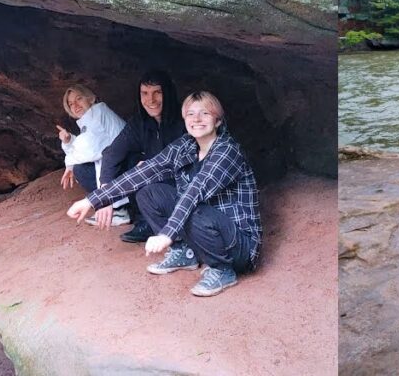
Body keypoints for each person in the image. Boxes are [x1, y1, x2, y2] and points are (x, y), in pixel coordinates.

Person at [67, 91, 261, 297]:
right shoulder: (185, 145)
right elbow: (146, 171)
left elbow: (195, 192)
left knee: (194, 206)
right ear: (184, 118)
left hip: (240, 246)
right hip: (206, 228)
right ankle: (185, 252)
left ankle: (223, 270)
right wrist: (93, 200)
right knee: (148, 192)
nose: (197, 119)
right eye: (191, 114)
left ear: (218, 120)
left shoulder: (227, 151)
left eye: (205, 113)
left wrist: (166, 234)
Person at [91, 69, 186, 243]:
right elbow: (112, 154)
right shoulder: (140, 123)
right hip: (153, 182)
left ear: (168, 93)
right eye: (145, 93)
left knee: (142, 170)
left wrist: (147, 168)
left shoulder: (185, 120)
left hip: (181, 187)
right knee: (130, 161)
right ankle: (145, 222)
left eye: (157, 92)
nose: (151, 100)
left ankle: (170, 230)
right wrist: (105, 196)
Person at [56, 84, 127, 223]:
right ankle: (117, 207)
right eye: (71, 104)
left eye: (79, 99)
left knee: (80, 169)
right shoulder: (91, 118)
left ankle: (120, 210)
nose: (75, 105)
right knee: (80, 169)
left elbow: (89, 149)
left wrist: (69, 163)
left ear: (91, 98)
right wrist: (69, 140)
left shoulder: (99, 112)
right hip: (119, 168)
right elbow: (89, 143)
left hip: (125, 167)